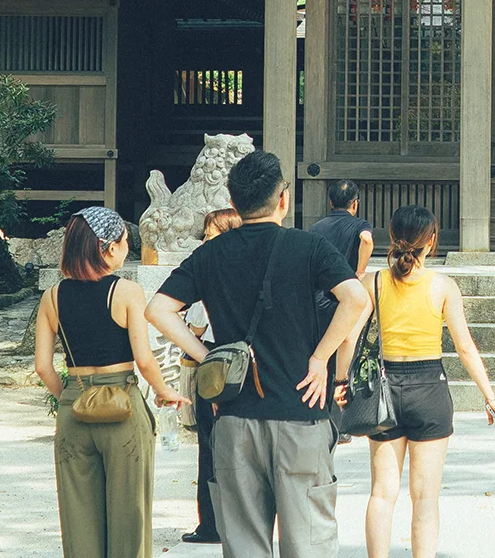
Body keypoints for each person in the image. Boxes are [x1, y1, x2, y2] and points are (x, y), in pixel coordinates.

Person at [148, 150, 369, 558]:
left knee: (245, 543)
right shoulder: (309, 247)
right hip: (302, 410)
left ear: (233, 203)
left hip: (234, 418)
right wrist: (321, 359)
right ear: (282, 199)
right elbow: (356, 300)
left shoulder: (209, 255)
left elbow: (158, 309)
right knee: (309, 544)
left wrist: (207, 355)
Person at [33, 206, 190, 558]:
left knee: (78, 517)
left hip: (75, 407)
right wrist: (165, 391)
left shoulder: (52, 298)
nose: (126, 248)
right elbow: (145, 359)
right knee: (129, 516)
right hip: (121, 405)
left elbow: (43, 367)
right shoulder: (128, 291)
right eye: (124, 242)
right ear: (107, 248)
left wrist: (71, 396)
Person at [359, 205, 495, 558]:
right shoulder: (443, 286)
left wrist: (337, 381)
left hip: (384, 389)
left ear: (393, 237)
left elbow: (351, 336)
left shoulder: (373, 282)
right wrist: (490, 396)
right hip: (429, 389)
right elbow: (465, 348)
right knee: (425, 498)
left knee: (382, 491)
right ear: (433, 241)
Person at [181, 207, 241, 546]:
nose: (205, 241)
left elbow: (196, 325)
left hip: (215, 368)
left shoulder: (211, 276)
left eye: (210, 234)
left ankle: (211, 523)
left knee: (210, 447)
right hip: (246, 368)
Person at [309, 180, 376, 280]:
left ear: (331, 203)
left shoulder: (316, 227)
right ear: (354, 204)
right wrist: (360, 272)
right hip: (348, 284)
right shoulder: (360, 225)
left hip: (323, 286)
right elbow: (367, 239)